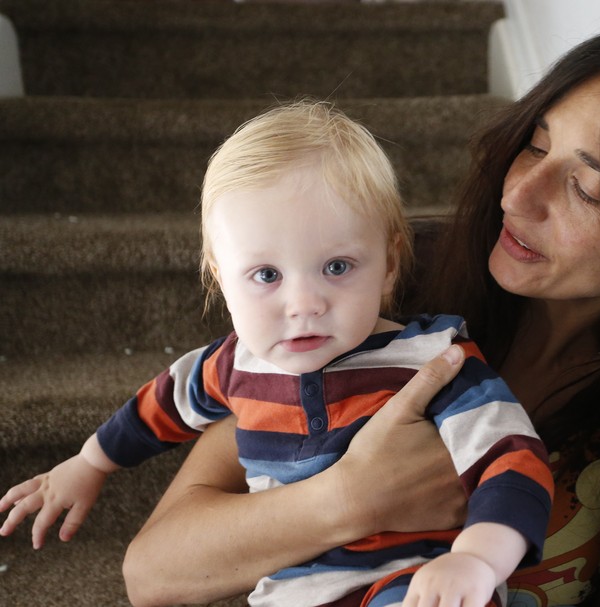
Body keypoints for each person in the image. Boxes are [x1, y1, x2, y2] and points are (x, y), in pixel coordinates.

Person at [118, 18, 600, 607]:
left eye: (583, 187)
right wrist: (348, 497)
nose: (518, 195)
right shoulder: (370, 293)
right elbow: (154, 570)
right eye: (534, 143)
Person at [0, 101, 555, 607]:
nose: (304, 304)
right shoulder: (233, 364)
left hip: (409, 584)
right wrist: (90, 463)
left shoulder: (434, 358)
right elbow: (160, 405)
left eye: (337, 267)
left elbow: (513, 459)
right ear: (221, 279)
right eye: (266, 275)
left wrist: (478, 558)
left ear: (389, 263)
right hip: (287, 593)